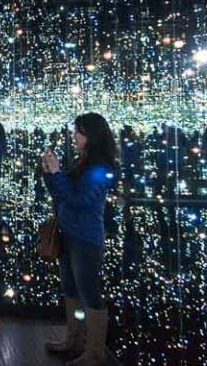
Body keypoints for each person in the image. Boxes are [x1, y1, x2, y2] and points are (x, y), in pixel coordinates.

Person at [42, 112, 117, 366]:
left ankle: (94, 352)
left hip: (85, 238)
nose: (75, 136)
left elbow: (79, 200)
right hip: (70, 234)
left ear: (92, 136)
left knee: (89, 292)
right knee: (72, 289)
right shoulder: (84, 162)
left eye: (79, 132)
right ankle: (75, 339)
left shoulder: (100, 168)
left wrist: (58, 174)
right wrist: (51, 173)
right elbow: (62, 194)